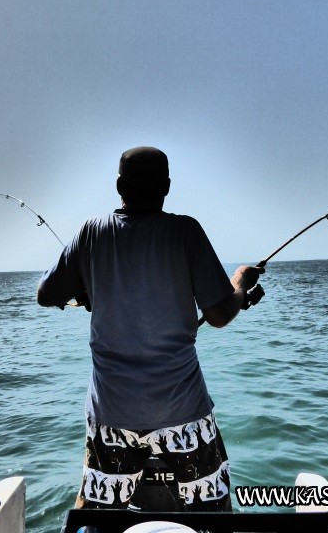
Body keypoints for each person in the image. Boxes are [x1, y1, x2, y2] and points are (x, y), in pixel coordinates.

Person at [37, 146, 263, 512]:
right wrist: (239, 283)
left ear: (119, 185)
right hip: (184, 414)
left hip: (111, 413)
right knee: (212, 511)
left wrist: (85, 289)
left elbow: (45, 294)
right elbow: (220, 314)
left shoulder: (91, 232)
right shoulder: (185, 232)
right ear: (167, 187)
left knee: (97, 511)